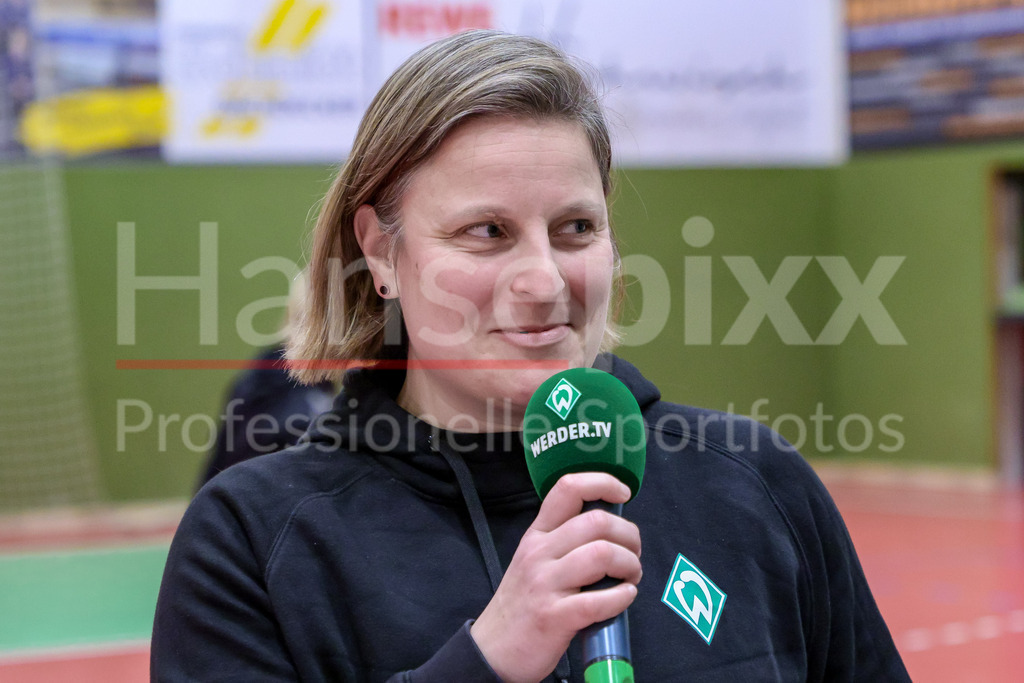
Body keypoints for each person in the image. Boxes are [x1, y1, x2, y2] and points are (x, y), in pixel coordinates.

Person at [151, 30, 909, 682]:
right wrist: (487, 659)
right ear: (381, 252)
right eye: (487, 231)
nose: (545, 281)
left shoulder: (758, 485)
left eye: (576, 227)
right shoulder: (251, 540)